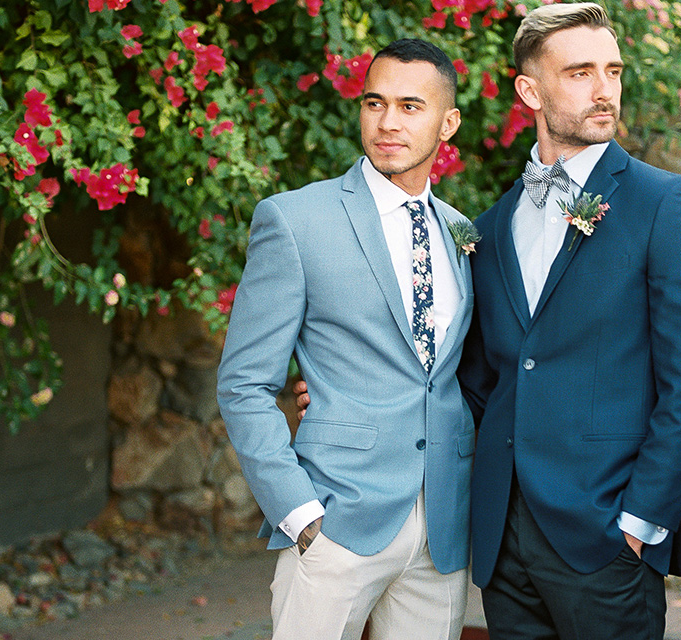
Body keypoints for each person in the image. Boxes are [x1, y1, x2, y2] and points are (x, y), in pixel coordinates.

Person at [458, 3, 681, 639]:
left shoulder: (667, 204)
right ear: (530, 90)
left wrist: (640, 523)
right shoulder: (491, 227)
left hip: (606, 539)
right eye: (579, 72)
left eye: (613, 70)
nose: (604, 88)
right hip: (504, 544)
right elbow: (480, 381)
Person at [216, 39, 476, 640]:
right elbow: (244, 381)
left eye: (411, 106)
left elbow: (446, 370)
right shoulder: (295, 220)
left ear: (448, 121)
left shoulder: (462, 232)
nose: (387, 122)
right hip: (335, 519)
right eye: (374, 102)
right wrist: (298, 512)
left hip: (440, 527)